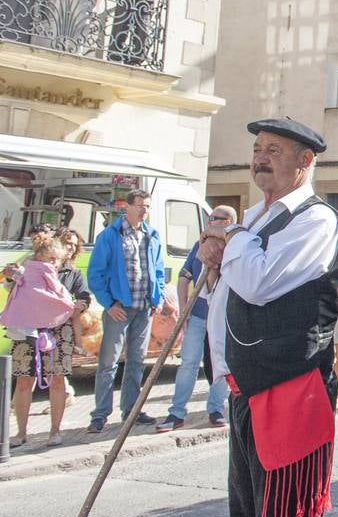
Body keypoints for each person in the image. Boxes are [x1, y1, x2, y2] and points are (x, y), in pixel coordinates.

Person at [199, 117, 338, 517]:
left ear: (305, 161)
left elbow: (259, 283)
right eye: (258, 148)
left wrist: (234, 238)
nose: (260, 157)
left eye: (274, 150)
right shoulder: (254, 218)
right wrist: (214, 263)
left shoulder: (314, 219)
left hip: (291, 392)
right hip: (247, 391)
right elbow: (231, 295)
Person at [87, 189, 174, 433]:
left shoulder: (152, 235)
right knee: (108, 363)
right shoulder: (110, 236)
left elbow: (157, 270)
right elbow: (96, 274)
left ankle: (132, 410)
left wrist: (157, 298)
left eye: (147, 206)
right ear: (128, 206)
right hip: (120, 309)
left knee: (136, 362)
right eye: (141, 206)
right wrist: (109, 303)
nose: (145, 210)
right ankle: (100, 415)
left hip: (144, 308)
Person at [3, 229, 88, 448]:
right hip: (27, 331)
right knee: (23, 381)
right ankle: (20, 433)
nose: (68, 250)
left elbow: (82, 297)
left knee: (57, 380)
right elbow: (11, 287)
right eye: (65, 245)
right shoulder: (26, 269)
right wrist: (10, 277)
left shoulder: (72, 273)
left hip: (59, 331)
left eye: (72, 246)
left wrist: (78, 305)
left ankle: (55, 431)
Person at [158, 205, 237, 432]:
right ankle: (176, 412)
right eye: (211, 217)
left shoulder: (234, 248)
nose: (212, 221)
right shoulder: (198, 246)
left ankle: (215, 409)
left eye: (219, 218)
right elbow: (184, 277)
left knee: (219, 362)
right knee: (189, 363)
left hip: (222, 316)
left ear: (230, 221)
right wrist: (184, 311)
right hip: (199, 314)